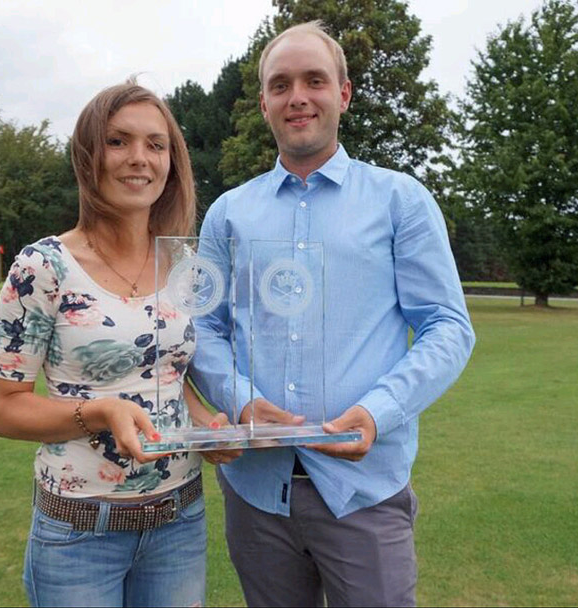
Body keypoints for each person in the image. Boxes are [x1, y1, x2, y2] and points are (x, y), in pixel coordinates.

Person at [189, 22, 476, 607]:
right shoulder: (226, 214)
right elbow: (200, 327)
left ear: (342, 94)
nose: (298, 96)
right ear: (264, 101)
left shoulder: (401, 200)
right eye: (280, 84)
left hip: (363, 492)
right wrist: (240, 398)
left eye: (314, 80)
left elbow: (448, 326)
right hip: (256, 492)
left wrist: (379, 411)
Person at [0, 79, 236, 608]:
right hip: (80, 531)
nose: (138, 159)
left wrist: (207, 425)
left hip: (179, 521)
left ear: (173, 161)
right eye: (118, 141)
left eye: (156, 144)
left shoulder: (183, 265)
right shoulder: (42, 267)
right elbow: (5, 411)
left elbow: (171, 375)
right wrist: (101, 412)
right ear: (88, 155)